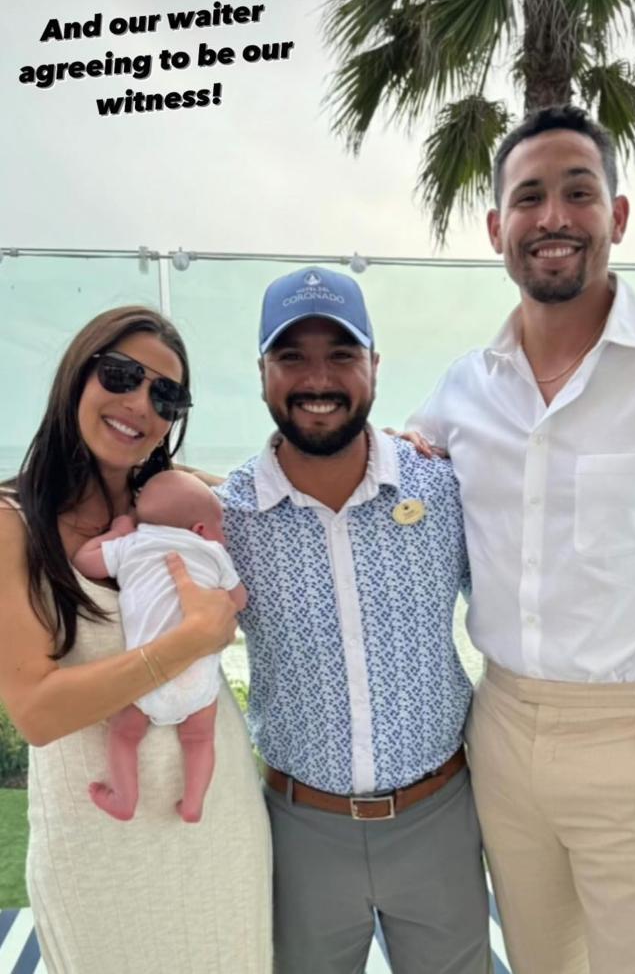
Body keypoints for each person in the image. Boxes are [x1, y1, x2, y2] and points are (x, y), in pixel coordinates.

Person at [406, 105, 635, 974]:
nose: (553, 216)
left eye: (578, 192)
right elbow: (369, 477)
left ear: (617, 216)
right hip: (504, 732)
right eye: (529, 197)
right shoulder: (463, 388)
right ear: (497, 228)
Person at [216, 266, 492, 974]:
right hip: (299, 828)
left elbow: (527, 597)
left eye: (341, 354)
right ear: (261, 373)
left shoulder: (441, 487)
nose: (318, 379)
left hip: (438, 817)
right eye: (292, 357)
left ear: (374, 364)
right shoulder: (228, 516)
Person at [0, 307, 272, 973]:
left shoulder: (186, 504)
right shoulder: (14, 524)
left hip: (215, 823)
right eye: (121, 375)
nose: (139, 404)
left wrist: (395, 445)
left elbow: (292, 479)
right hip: (95, 843)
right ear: (77, 377)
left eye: (165, 394)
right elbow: (36, 712)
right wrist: (187, 642)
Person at [72, 469, 247, 823]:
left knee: (123, 735)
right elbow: (239, 600)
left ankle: (124, 798)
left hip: (146, 677)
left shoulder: (132, 545)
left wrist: (116, 532)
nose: (222, 536)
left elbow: (84, 561)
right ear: (200, 529)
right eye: (220, 527)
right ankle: (194, 802)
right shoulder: (213, 553)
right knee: (199, 740)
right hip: (199, 680)